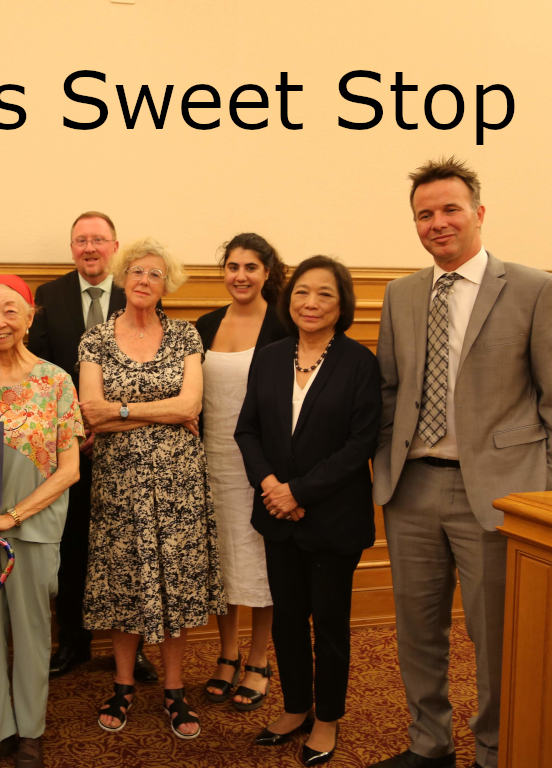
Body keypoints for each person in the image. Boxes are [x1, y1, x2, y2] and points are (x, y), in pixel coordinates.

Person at [370, 158, 552, 768]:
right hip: (412, 488)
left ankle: (494, 749)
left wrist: (539, 497)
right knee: (416, 630)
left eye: (450, 209)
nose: (437, 223)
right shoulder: (401, 294)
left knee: (496, 637)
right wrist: (385, 465)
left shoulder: (535, 289)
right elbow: (389, 389)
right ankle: (429, 744)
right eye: (425, 214)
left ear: (479, 213)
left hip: (498, 494)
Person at [235, 256, 380, 766]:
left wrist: (299, 492)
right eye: (301, 292)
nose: (311, 303)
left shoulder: (360, 363)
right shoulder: (270, 356)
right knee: (288, 621)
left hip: (333, 518)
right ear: (288, 299)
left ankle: (327, 717)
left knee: (330, 625)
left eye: (324, 294)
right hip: (277, 515)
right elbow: (247, 430)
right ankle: (296, 706)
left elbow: (360, 443)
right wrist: (272, 487)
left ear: (342, 305)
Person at [78, 237, 224, 741]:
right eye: (137, 271)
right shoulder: (96, 339)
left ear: (167, 285)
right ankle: (122, 686)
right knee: (124, 583)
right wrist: (157, 413)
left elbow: (190, 407)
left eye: (155, 274)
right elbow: (90, 413)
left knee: (174, 584)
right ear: (122, 277)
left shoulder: (185, 335)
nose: (144, 280)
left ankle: (174, 690)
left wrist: (120, 410)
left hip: (179, 482)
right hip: (118, 483)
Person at [0, 275, 83, 768]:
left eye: (10, 311)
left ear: (29, 317)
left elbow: (69, 470)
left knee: (31, 633)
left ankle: (30, 733)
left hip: (33, 527)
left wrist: (10, 517)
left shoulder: (56, 381)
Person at [27, 211, 157, 684]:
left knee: (131, 548)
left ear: (114, 247)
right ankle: (73, 642)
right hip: (70, 446)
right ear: (72, 248)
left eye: (98, 240)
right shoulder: (50, 295)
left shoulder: (136, 289)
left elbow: (147, 364)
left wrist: (111, 419)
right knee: (71, 546)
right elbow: (40, 371)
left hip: (128, 443)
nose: (89, 248)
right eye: (81, 240)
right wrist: (74, 430)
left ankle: (134, 650)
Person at [194, 233, 289, 710]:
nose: (241, 276)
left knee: (261, 563)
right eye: (233, 266)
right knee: (223, 562)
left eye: (251, 267)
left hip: (262, 465)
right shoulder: (206, 325)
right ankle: (227, 653)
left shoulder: (283, 324)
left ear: (267, 272)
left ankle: (258, 658)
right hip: (211, 460)